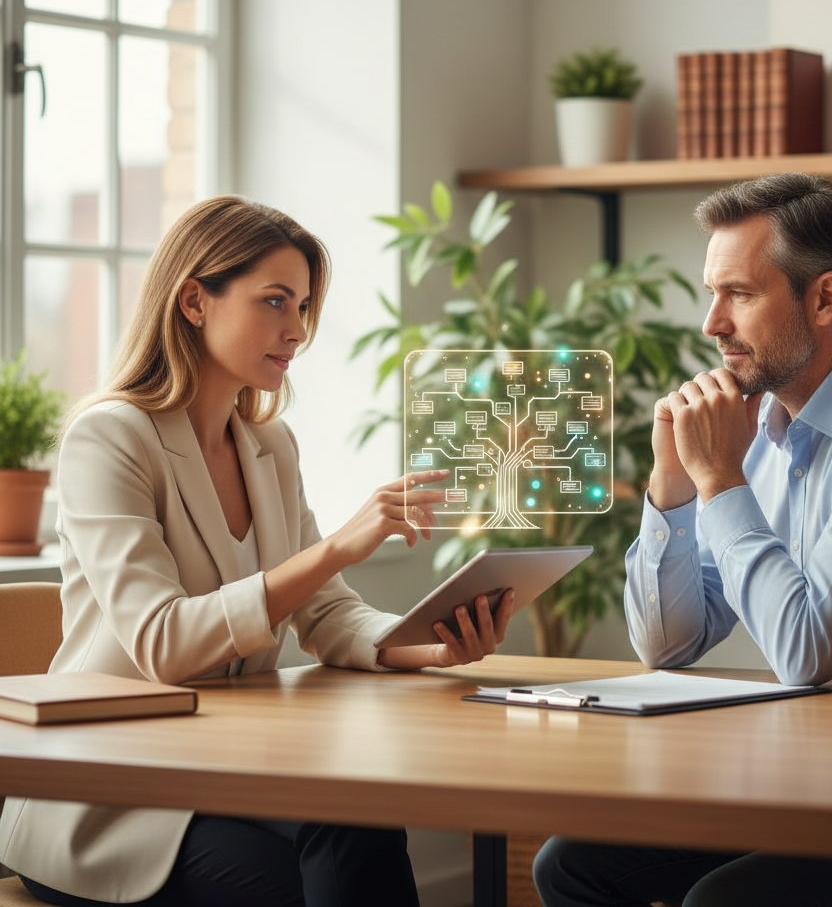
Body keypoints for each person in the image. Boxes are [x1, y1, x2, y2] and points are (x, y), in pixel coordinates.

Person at [0, 195, 515, 907]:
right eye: (275, 301)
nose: (297, 329)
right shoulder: (111, 439)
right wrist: (336, 547)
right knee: (290, 885)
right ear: (193, 301)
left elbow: (328, 615)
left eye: (303, 306)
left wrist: (422, 645)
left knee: (360, 822)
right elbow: (161, 643)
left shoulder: (269, 446)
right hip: (111, 798)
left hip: (224, 768)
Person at [533, 173, 832, 907]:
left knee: (726, 901)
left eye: (738, 293)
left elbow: (805, 652)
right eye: (711, 292)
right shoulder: (761, 432)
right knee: (569, 864)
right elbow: (669, 646)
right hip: (825, 779)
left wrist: (722, 479)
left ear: (825, 298)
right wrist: (672, 487)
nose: (710, 324)